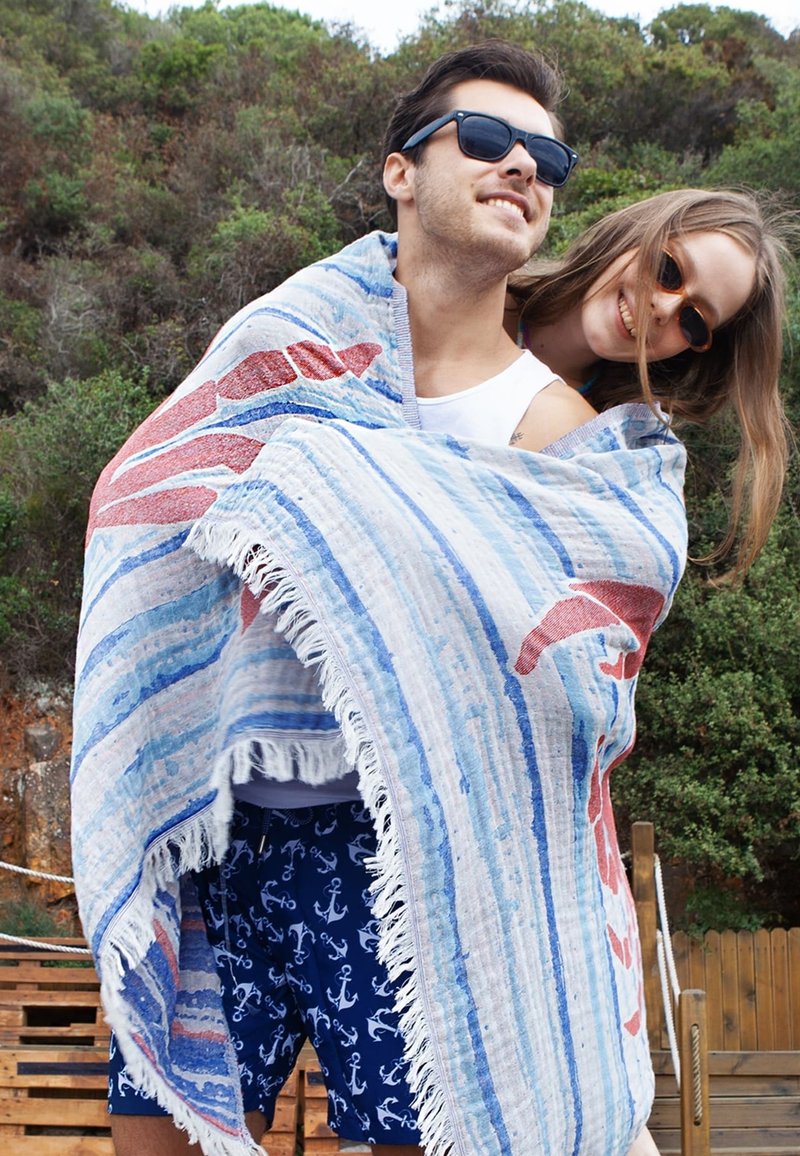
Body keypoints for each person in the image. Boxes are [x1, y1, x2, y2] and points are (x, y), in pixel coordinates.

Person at [70, 40, 706, 1156]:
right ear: (399, 172)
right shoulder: (288, 336)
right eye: (488, 140)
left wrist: (346, 499)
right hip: (226, 823)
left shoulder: (546, 424)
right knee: (151, 1135)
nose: (522, 167)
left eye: (545, 157)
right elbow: (144, 495)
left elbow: (573, 647)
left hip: (404, 845)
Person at [506, 187, 791, 578]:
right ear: (635, 233)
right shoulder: (467, 291)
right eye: (668, 270)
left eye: (693, 320)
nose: (664, 307)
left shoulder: (612, 460)